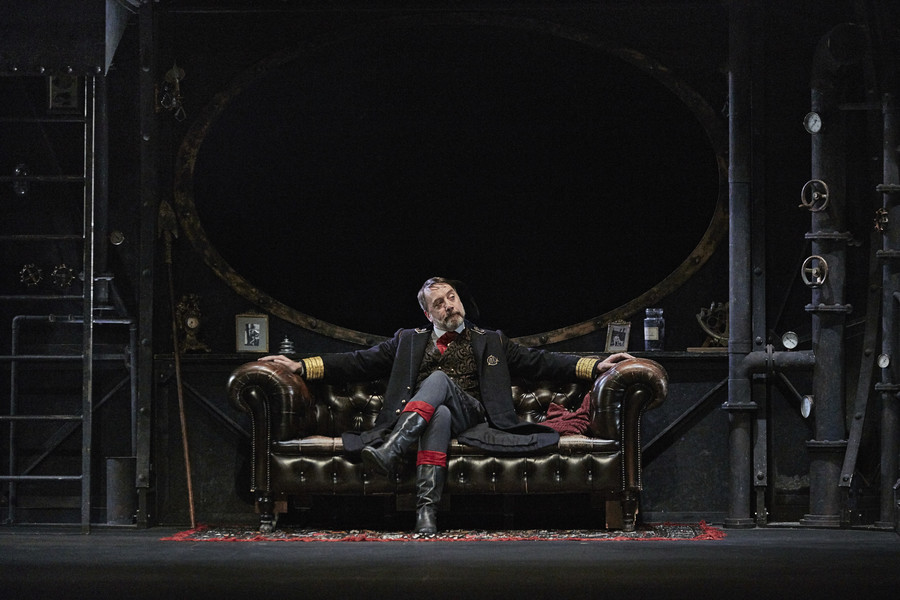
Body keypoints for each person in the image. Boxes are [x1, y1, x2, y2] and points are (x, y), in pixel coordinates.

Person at [262, 277, 632, 534]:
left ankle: (393, 449)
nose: (448, 305)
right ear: (428, 314)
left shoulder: (491, 340)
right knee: (437, 412)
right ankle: (426, 513)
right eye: (438, 303)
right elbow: (358, 362)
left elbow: (542, 362)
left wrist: (595, 366)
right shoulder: (408, 340)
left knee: (438, 380)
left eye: (451, 297)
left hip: (475, 418)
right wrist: (301, 367)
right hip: (432, 419)